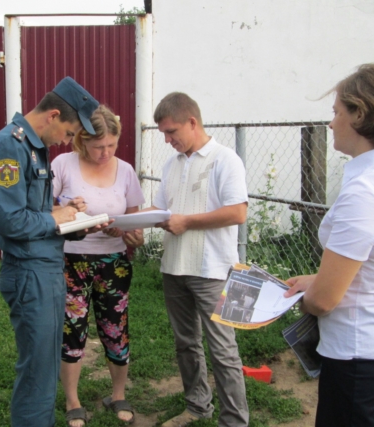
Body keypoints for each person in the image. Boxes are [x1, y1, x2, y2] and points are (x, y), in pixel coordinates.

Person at [283, 63, 374, 427]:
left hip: (358, 355)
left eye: (336, 112)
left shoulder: (366, 192)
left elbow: (323, 301)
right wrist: (315, 278)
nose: (331, 122)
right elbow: (372, 263)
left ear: (360, 114)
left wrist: (285, 299)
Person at [0, 76, 107, 427]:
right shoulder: (9, 146)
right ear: (53, 115)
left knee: (46, 364)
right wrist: (57, 219)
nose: (68, 142)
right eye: (69, 133)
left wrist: (74, 219)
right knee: (38, 369)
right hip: (29, 272)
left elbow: (35, 211)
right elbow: (10, 220)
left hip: (47, 269)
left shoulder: (34, 148)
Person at [149, 92, 250, 427]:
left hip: (215, 270)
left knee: (223, 349)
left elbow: (238, 212)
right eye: (163, 133)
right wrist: (127, 222)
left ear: (193, 122)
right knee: (186, 343)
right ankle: (197, 406)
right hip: (174, 267)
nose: (167, 140)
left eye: (171, 131)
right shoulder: (172, 164)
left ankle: (234, 421)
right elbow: (161, 210)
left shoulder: (225, 159)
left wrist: (187, 221)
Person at [51, 105, 145, 427]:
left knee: (115, 328)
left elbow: (135, 224)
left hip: (114, 262)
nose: (105, 153)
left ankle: (118, 394)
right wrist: (68, 209)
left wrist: (130, 234)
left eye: (111, 146)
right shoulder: (63, 165)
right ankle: (72, 401)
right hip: (71, 260)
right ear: (82, 140)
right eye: (98, 146)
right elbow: (44, 211)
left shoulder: (126, 171)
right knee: (72, 330)